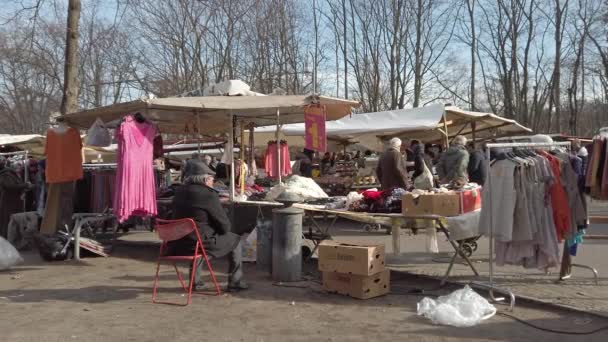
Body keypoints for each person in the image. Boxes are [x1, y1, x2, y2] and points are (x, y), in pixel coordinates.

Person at [168, 161, 248, 291]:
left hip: (176, 244)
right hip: (197, 244)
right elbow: (225, 227)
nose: (213, 181)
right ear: (205, 179)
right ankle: (235, 282)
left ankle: (195, 282)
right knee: (235, 240)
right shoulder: (208, 194)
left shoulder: (178, 193)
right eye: (212, 179)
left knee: (198, 235)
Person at [0, 157, 31, 238]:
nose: (19, 167)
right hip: (9, 202)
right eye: (17, 165)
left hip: (15, 202)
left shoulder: (14, 174)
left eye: (20, 165)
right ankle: (6, 238)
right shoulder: (5, 174)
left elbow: (16, 186)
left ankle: (13, 237)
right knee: (8, 220)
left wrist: (26, 187)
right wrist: (25, 185)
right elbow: (10, 186)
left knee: (14, 220)